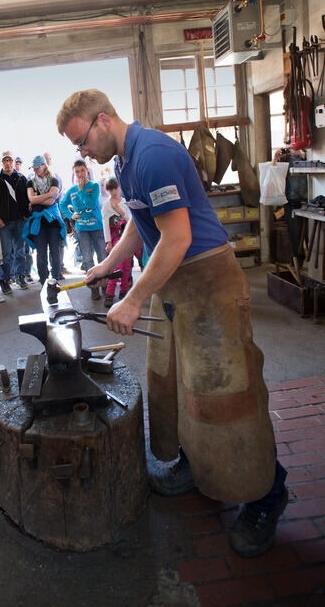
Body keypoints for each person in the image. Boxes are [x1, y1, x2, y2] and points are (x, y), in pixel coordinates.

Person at [56, 88, 288, 558]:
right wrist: (106, 265)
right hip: (174, 285)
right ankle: (193, 462)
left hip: (208, 283)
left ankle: (267, 494)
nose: (81, 152)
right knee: (177, 385)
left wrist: (134, 299)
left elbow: (177, 238)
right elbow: (143, 230)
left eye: (81, 141)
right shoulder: (124, 162)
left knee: (227, 395)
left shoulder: (155, 155)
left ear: (103, 120)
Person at [60, 158, 106, 300]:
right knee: (87, 259)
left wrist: (81, 190)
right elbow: (62, 205)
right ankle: (94, 287)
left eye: (82, 171)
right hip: (81, 229)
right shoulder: (71, 190)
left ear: (86, 170)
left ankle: (106, 286)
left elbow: (91, 204)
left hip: (96, 227)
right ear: (74, 173)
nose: (80, 174)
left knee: (102, 257)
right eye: (77, 172)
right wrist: (70, 215)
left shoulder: (94, 186)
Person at [0, 151, 29, 295]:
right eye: (5, 160)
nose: (8, 163)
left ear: (13, 161)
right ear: (1, 162)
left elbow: (27, 199)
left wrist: (25, 215)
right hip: (3, 223)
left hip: (19, 221)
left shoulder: (21, 178)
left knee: (21, 252)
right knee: (6, 253)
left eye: (10, 160)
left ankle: (20, 276)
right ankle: (5, 279)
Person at [22, 155, 66, 286]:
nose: (35, 170)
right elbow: (32, 199)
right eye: (33, 167)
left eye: (37, 167)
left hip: (53, 220)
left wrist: (38, 198)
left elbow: (52, 201)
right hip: (38, 222)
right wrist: (47, 196)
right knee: (41, 254)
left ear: (44, 166)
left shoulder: (54, 179)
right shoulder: (30, 181)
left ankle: (55, 279)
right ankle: (43, 281)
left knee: (55, 251)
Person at [101, 177, 132, 307]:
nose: (114, 191)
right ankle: (110, 293)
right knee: (116, 266)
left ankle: (124, 290)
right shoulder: (106, 204)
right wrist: (108, 242)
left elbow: (130, 219)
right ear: (107, 190)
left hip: (127, 237)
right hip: (115, 238)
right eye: (111, 189)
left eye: (116, 188)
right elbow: (105, 224)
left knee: (127, 266)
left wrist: (120, 211)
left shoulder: (124, 202)